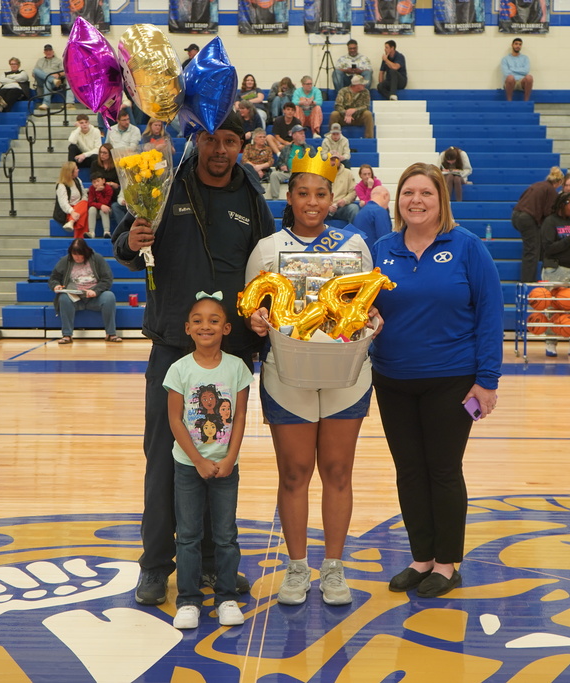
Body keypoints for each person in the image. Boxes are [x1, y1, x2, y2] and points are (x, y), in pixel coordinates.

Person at [113, 111, 273, 606]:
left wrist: (258, 332)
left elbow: (269, 267)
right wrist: (132, 243)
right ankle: (156, 566)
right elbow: (123, 243)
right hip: (174, 352)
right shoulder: (161, 183)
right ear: (196, 140)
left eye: (230, 141)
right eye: (211, 139)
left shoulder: (250, 194)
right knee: (165, 461)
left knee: (219, 461)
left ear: (241, 145)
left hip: (231, 356)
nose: (220, 150)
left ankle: (210, 564)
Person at [244, 153, 374, 606]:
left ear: (332, 198)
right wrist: (258, 320)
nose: (311, 202)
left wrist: (371, 317)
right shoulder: (266, 248)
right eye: (303, 193)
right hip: (288, 374)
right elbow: (253, 308)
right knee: (294, 472)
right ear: (290, 196)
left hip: (345, 375)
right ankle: (297, 569)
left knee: (338, 471)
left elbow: (366, 306)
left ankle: (333, 568)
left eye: (320, 194)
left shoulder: (354, 245)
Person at [370, 162, 503, 599]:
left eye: (426, 193)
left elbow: (490, 314)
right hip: (392, 378)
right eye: (408, 192)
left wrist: (486, 381)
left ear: (441, 200)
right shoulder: (382, 249)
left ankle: (447, 564)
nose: (416, 200)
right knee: (408, 472)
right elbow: (362, 308)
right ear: (398, 200)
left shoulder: (466, 247)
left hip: (452, 379)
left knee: (443, 471)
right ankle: (421, 558)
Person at [165, 294, 252, 630]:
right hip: (188, 465)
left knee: (226, 535)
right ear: (188, 328)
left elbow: (241, 415)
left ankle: (227, 596)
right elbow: (175, 420)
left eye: (214, 320)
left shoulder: (237, 368)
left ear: (226, 328)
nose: (206, 326)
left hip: (226, 467)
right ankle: (188, 600)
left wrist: (230, 457)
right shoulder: (179, 369)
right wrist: (198, 460)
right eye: (198, 320)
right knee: (187, 534)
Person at [540, 192, 570, 358]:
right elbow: (549, 248)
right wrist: (569, 239)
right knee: (554, 307)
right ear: (563, 205)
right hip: (557, 268)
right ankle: (551, 343)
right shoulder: (550, 221)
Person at [49, 238, 121, 344]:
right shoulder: (66, 260)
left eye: (80, 255)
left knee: (109, 296)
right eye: (75, 255)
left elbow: (107, 279)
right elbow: (54, 277)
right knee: (63, 298)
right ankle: (67, 335)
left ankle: (111, 333)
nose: (77, 258)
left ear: (85, 252)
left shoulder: (97, 259)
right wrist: (56, 285)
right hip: (74, 297)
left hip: (94, 297)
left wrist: (96, 291)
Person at [511, 166, 565, 282]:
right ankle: (527, 283)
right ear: (559, 182)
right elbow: (548, 212)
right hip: (528, 217)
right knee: (531, 251)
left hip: (516, 215)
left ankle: (530, 278)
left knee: (533, 246)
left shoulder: (537, 185)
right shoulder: (551, 191)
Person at [269, 125, 313, 199]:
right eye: (300, 133)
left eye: (303, 134)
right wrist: (282, 165)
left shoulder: (309, 148)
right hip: (289, 172)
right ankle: (275, 198)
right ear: (294, 135)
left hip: (303, 174)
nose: (303, 135)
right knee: (274, 175)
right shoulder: (286, 149)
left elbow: (315, 162)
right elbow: (279, 162)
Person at [89, 143, 126, 231]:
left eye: (105, 153)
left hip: (113, 191)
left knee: (115, 201)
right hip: (98, 190)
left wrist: (114, 185)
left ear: (110, 154)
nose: (102, 155)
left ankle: (123, 229)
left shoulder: (116, 165)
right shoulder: (95, 164)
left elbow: (120, 182)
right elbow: (93, 178)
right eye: (101, 152)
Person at [34, 44, 74, 109]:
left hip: (55, 82)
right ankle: (51, 79)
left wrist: (58, 74)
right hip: (42, 80)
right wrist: (47, 76)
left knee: (47, 82)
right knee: (35, 70)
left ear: (53, 51)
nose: (48, 52)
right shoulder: (40, 60)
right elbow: (34, 73)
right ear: (44, 52)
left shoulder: (58, 61)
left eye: (50, 50)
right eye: (46, 51)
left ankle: (45, 104)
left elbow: (64, 72)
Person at [54, 161, 88, 237]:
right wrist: (72, 212)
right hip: (68, 210)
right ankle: (80, 238)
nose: (78, 170)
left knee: (84, 203)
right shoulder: (61, 185)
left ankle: (71, 222)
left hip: (79, 206)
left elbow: (84, 194)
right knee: (82, 213)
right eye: (76, 169)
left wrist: (80, 204)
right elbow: (63, 203)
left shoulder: (78, 180)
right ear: (71, 172)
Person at [353, 184, 392, 249]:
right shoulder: (380, 211)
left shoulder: (360, 212)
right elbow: (385, 240)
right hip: (374, 256)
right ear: (385, 196)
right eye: (388, 201)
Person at [501, 38, 533, 102]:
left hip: (521, 82)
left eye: (520, 44)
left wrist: (512, 69)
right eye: (516, 44)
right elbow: (506, 73)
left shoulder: (525, 58)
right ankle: (509, 101)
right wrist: (520, 71)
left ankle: (526, 101)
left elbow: (526, 71)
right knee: (510, 78)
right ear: (512, 45)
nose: (518, 46)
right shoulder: (505, 59)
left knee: (529, 78)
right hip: (510, 82)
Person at [86, 175, 114, 239]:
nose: (96, 184)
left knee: (103, 210)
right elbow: (90, 203)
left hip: (107, 210)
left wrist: (98, 193)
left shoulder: (108, 189)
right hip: (96, 211)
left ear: (103, 180)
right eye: (94, 182)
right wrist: (100, 206)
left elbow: (105, 203)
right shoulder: (91, 188)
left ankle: (106, 232)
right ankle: (91, 232)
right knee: (92, 209)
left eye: (98, 181)